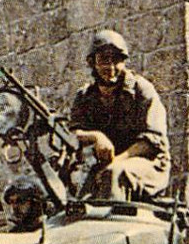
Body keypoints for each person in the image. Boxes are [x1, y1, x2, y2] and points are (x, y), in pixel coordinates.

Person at [68, 29, 170, 201]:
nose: (111, 68)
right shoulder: (85, 96)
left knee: (114, 174)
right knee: (79, 198)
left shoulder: (141, 90)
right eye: (103, 60)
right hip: (105, 167)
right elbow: (73, 133)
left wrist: (117, 161)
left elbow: (151, 142)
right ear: (93, 63)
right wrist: (96, 137)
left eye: (117, 60)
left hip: (149, 164)